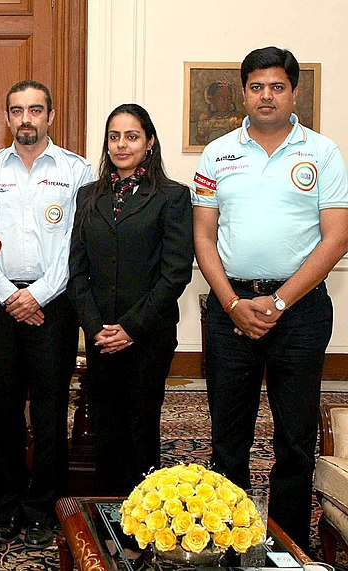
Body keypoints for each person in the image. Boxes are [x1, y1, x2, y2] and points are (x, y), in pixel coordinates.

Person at [193, 46, 348, 550]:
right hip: (228, 310)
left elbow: (337, 238)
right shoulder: (216, 154)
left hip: (299, 314)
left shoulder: (322, 153)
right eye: (257, 86)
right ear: (243, 91)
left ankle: (287, 546)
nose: (266, 96)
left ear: (294, 92)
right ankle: (231, 545)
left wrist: (278, 303)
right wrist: (234, 305)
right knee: (228, 441)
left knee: (296, 442)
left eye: (277, 86)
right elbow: (203, 236)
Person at [0, 80, 94, 548]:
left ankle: (43, 508)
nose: (26, 119)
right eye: (17, 110)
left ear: (50, 116)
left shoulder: (76, 171)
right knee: (3, 412)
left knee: (48, 410)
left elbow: (75, 246)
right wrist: (5, 293)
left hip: (53, 306)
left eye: (35, 110)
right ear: (7, 117)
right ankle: (8, 506)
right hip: (2, 304)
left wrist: (37, 295)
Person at [67, 103, 194, 496]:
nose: (122, 145)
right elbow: (77, 270)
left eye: (132, 136)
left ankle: (142, 521)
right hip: (102, 335)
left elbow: (175, 273)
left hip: (148, 336)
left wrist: (131, 328)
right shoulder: (88, 195)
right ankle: (106, 517)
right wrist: (96, 327)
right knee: (106, 430)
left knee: (141, 428)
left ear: (150, 142)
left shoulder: (172, 197)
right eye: (114, 137)